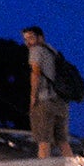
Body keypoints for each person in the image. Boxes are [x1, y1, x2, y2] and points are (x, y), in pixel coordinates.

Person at [21, 26, 70, 159]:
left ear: (40, 37)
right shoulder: (53, 52)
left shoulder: (36, 50)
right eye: (25, 39)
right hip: (62, 102)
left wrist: (33, 98)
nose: (28, 43)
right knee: (63, 141)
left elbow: (35, 73)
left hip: (45, 101)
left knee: (43, 141)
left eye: (30, 38)